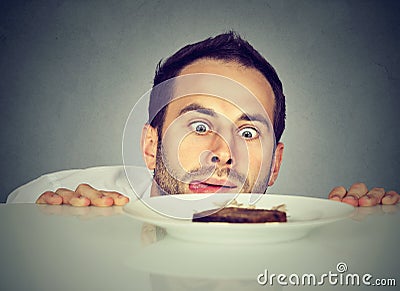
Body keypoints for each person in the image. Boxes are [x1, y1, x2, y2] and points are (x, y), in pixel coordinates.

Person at [29, 32, 399, 208]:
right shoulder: (68, 199)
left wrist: (368, 232)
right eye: (200, 127)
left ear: (275, 165)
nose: (223, 153)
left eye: (248, 131)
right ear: (150, 146)